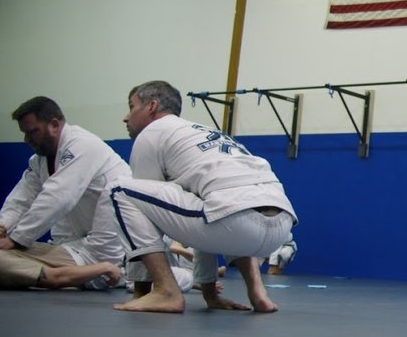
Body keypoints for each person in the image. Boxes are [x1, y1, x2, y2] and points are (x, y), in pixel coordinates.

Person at [108, 80, 297, 314]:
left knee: (120, 190)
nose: (126, 117)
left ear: (152, 106)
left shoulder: (152, 132)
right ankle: (259, 294)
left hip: (234, 221)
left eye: (131, 106)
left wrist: (142, 290)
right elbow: (204, 212)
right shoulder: (205, 133)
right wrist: (209, 293)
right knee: (217, 203)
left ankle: (166, 291)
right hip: (280, 228)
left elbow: (149, 218)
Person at [0, 96, 131, 291]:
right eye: (24, 133)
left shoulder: (82, 145)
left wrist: (15, 239)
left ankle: (82, 274)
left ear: (54, 125)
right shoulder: (40, 160)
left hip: (103, 252)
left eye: (32, 132)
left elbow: (57, 198)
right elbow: (21, 199)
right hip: (72, 247)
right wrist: (1, 228)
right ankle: (57, 274)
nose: (27, 139)